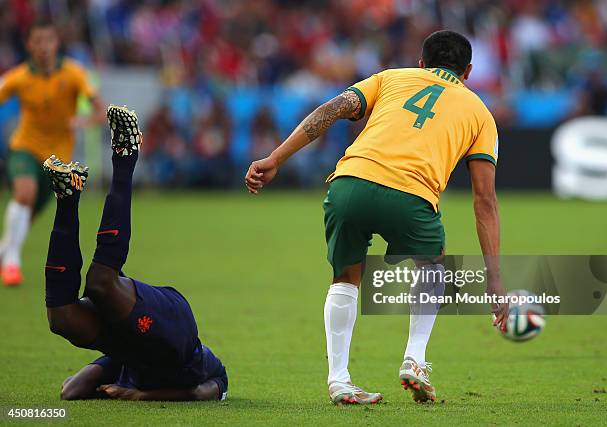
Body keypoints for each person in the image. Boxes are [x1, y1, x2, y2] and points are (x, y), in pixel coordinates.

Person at [245, 30, 508, 404]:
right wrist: (494, 279)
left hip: (349, 183)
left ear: (421, 63)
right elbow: (485, 200)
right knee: (432, 265)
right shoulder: (481, 113)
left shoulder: (390, 77)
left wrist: (275, 159)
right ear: (467, 71)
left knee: (345, 278)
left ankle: (339, 379)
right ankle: (414, 360)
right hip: (411, 195)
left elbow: (329, 111)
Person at [43, 105, 228, 401]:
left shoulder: (121, 360)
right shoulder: (206, 367)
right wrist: (138, 395)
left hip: (131, 342)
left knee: (62, 319)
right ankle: (126, 152)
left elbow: (71, 390)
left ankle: (68, 196)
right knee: (100, 284)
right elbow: (205, 390)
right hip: (176, 331)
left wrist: (122, 388)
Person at [0, 18, 105, 286]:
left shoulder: (73, 73)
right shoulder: (18, 77)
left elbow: (100, 110)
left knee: (29, 213)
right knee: (24, 194)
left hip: (58, 161)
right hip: (25, 147)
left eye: (48, 40)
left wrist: (82, 121)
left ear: (56, 43)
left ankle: (5, 250)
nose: (43, 47)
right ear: (29, 45)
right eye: (37, 41)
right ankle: (11, 262)